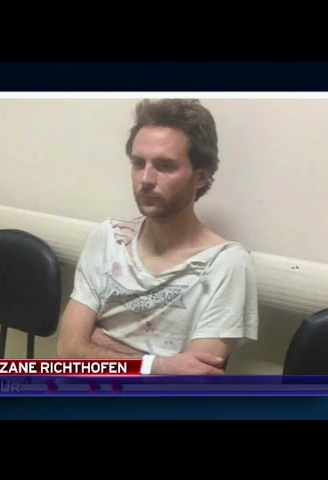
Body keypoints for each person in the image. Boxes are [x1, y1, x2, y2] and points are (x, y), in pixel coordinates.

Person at [56, 99, 258, 374]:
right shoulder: (108, 239)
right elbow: (67, 353)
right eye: (138, 163)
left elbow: (192, 382)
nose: (146, 179)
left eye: (165, 166)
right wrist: (159, 365)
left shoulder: (225, 264)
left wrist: (95, 347)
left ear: (201, 176)